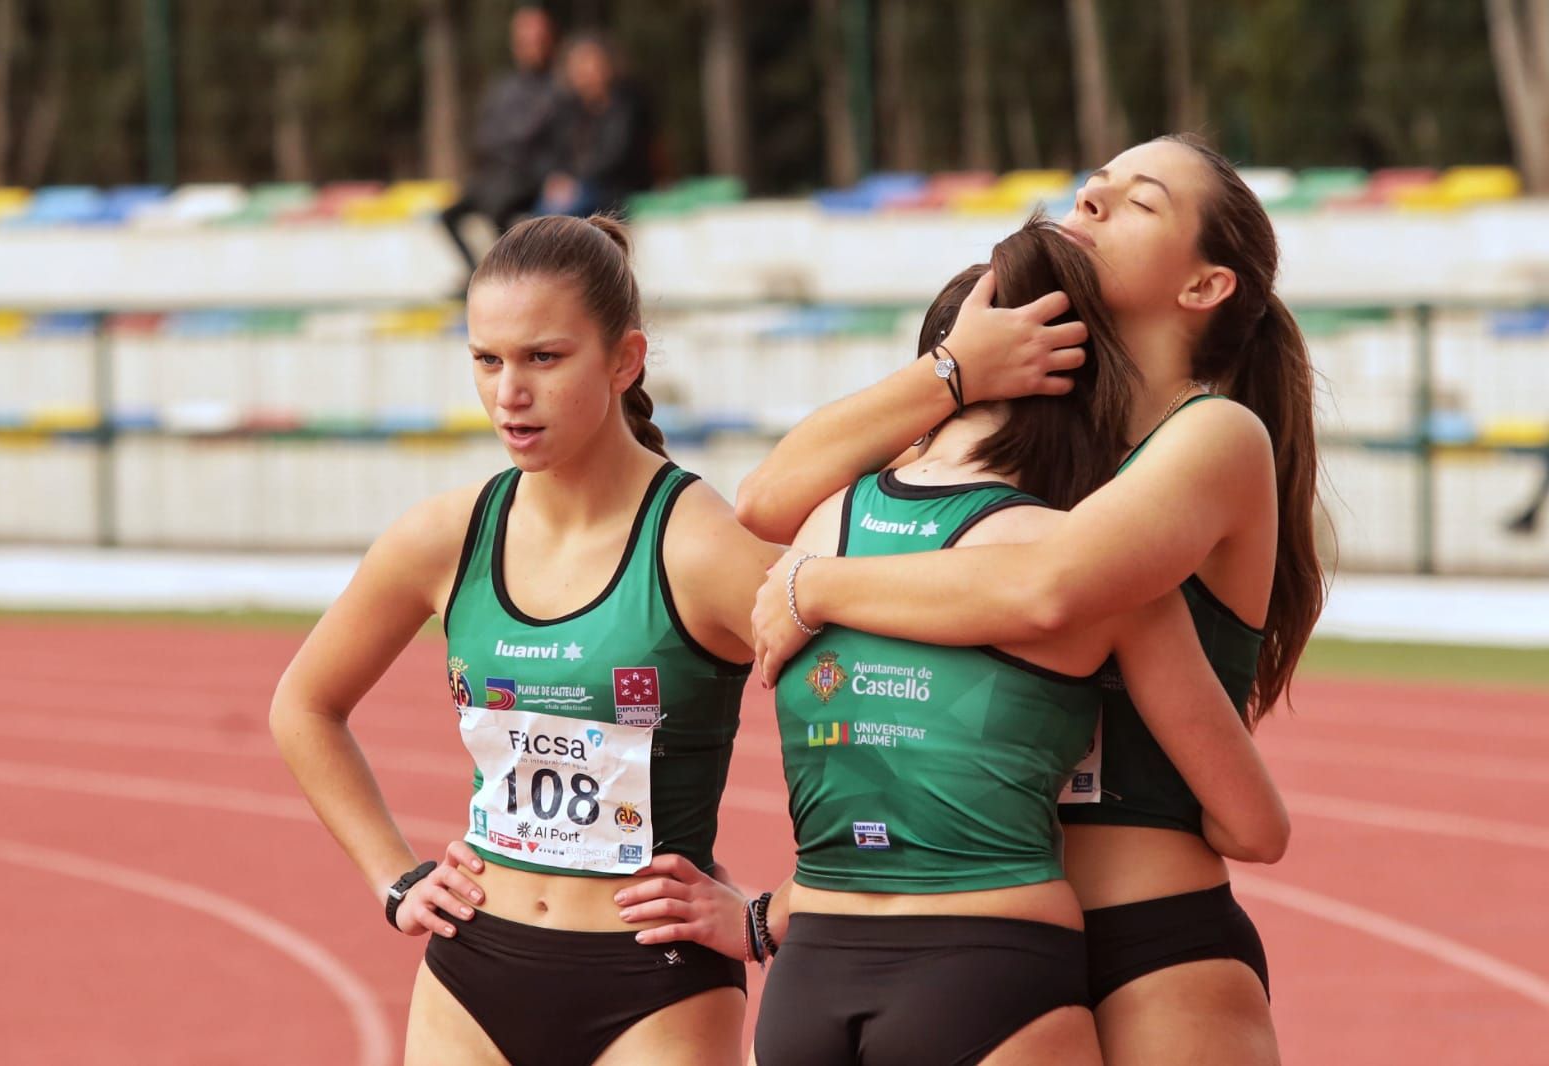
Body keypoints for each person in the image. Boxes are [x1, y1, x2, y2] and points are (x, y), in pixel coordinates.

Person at [615, 220, 1289, 1066]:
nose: (1093, 210)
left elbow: (1029, 602)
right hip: (1010, 949)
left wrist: (814, 583)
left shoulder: (822, 536)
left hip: (835, 965)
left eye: (1123, 203)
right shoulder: (1093, 567)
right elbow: (1255, 826)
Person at [271, 213, 779, 1065]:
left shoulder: (698, 545)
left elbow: (865, 699)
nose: (510, 391)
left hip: (652, 982)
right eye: (487, 359)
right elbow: (304, 705)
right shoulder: (445, 535)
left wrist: (771, 914)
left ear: (625, 359)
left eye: (544, 358)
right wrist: (393, 877)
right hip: (474, 971)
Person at [439, 6, 563, 277]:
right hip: (496, 175)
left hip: (529, 179)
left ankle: (508, 276)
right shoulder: (503, 87)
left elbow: (557, 142)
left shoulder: (560, 87)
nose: (532, 47)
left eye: (537, 39)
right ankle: (477, 275)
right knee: (448, 214)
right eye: (525, 40)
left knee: (501, 210)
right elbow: (486, 135)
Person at [538, 34, 653, 218]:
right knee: (543, 213)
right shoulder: (568, 110)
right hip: (577, 188)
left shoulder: (625, 105)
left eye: (590, 64)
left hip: (615, 189)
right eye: (579, 66)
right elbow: (556, 152)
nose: (585, 72)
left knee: (564, 213)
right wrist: (557, 178)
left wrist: (575, 181)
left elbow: (615, 157)